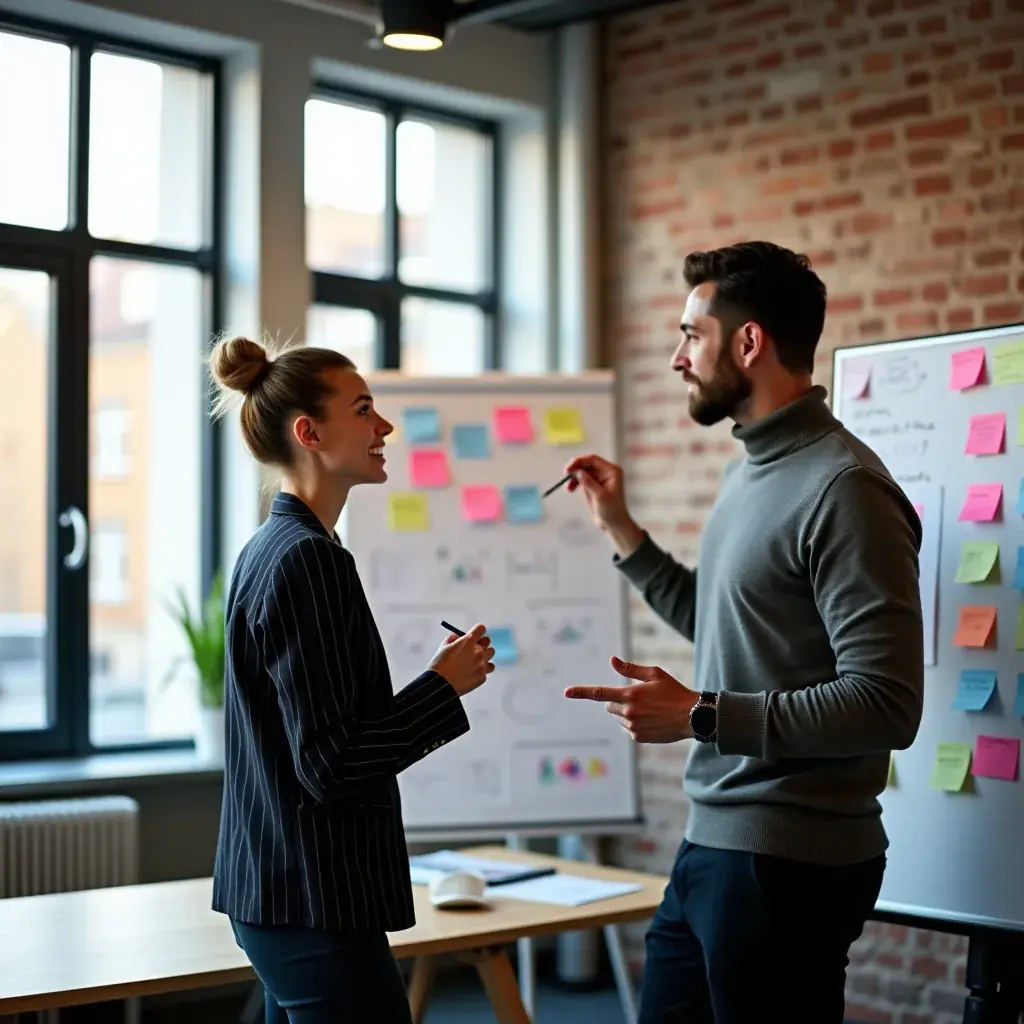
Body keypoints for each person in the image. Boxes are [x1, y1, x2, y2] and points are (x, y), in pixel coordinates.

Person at [562, 242, 924, 1023]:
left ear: (749, 342)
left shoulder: (845, 489)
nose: (677, 358)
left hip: (788, 864)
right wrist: (621, 529)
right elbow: (723, 623)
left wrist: (701, 715)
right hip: (714, 847)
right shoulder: (750, 471)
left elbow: (888, 704)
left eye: (692, 335)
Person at [207, 335, 495, 1023]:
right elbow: (331, 764)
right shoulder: (307, 559)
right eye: (363, 410)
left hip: (284, 892)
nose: (384, 426)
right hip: (313, 898)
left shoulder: (273, 547)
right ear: (308, 433)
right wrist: (443, 686)